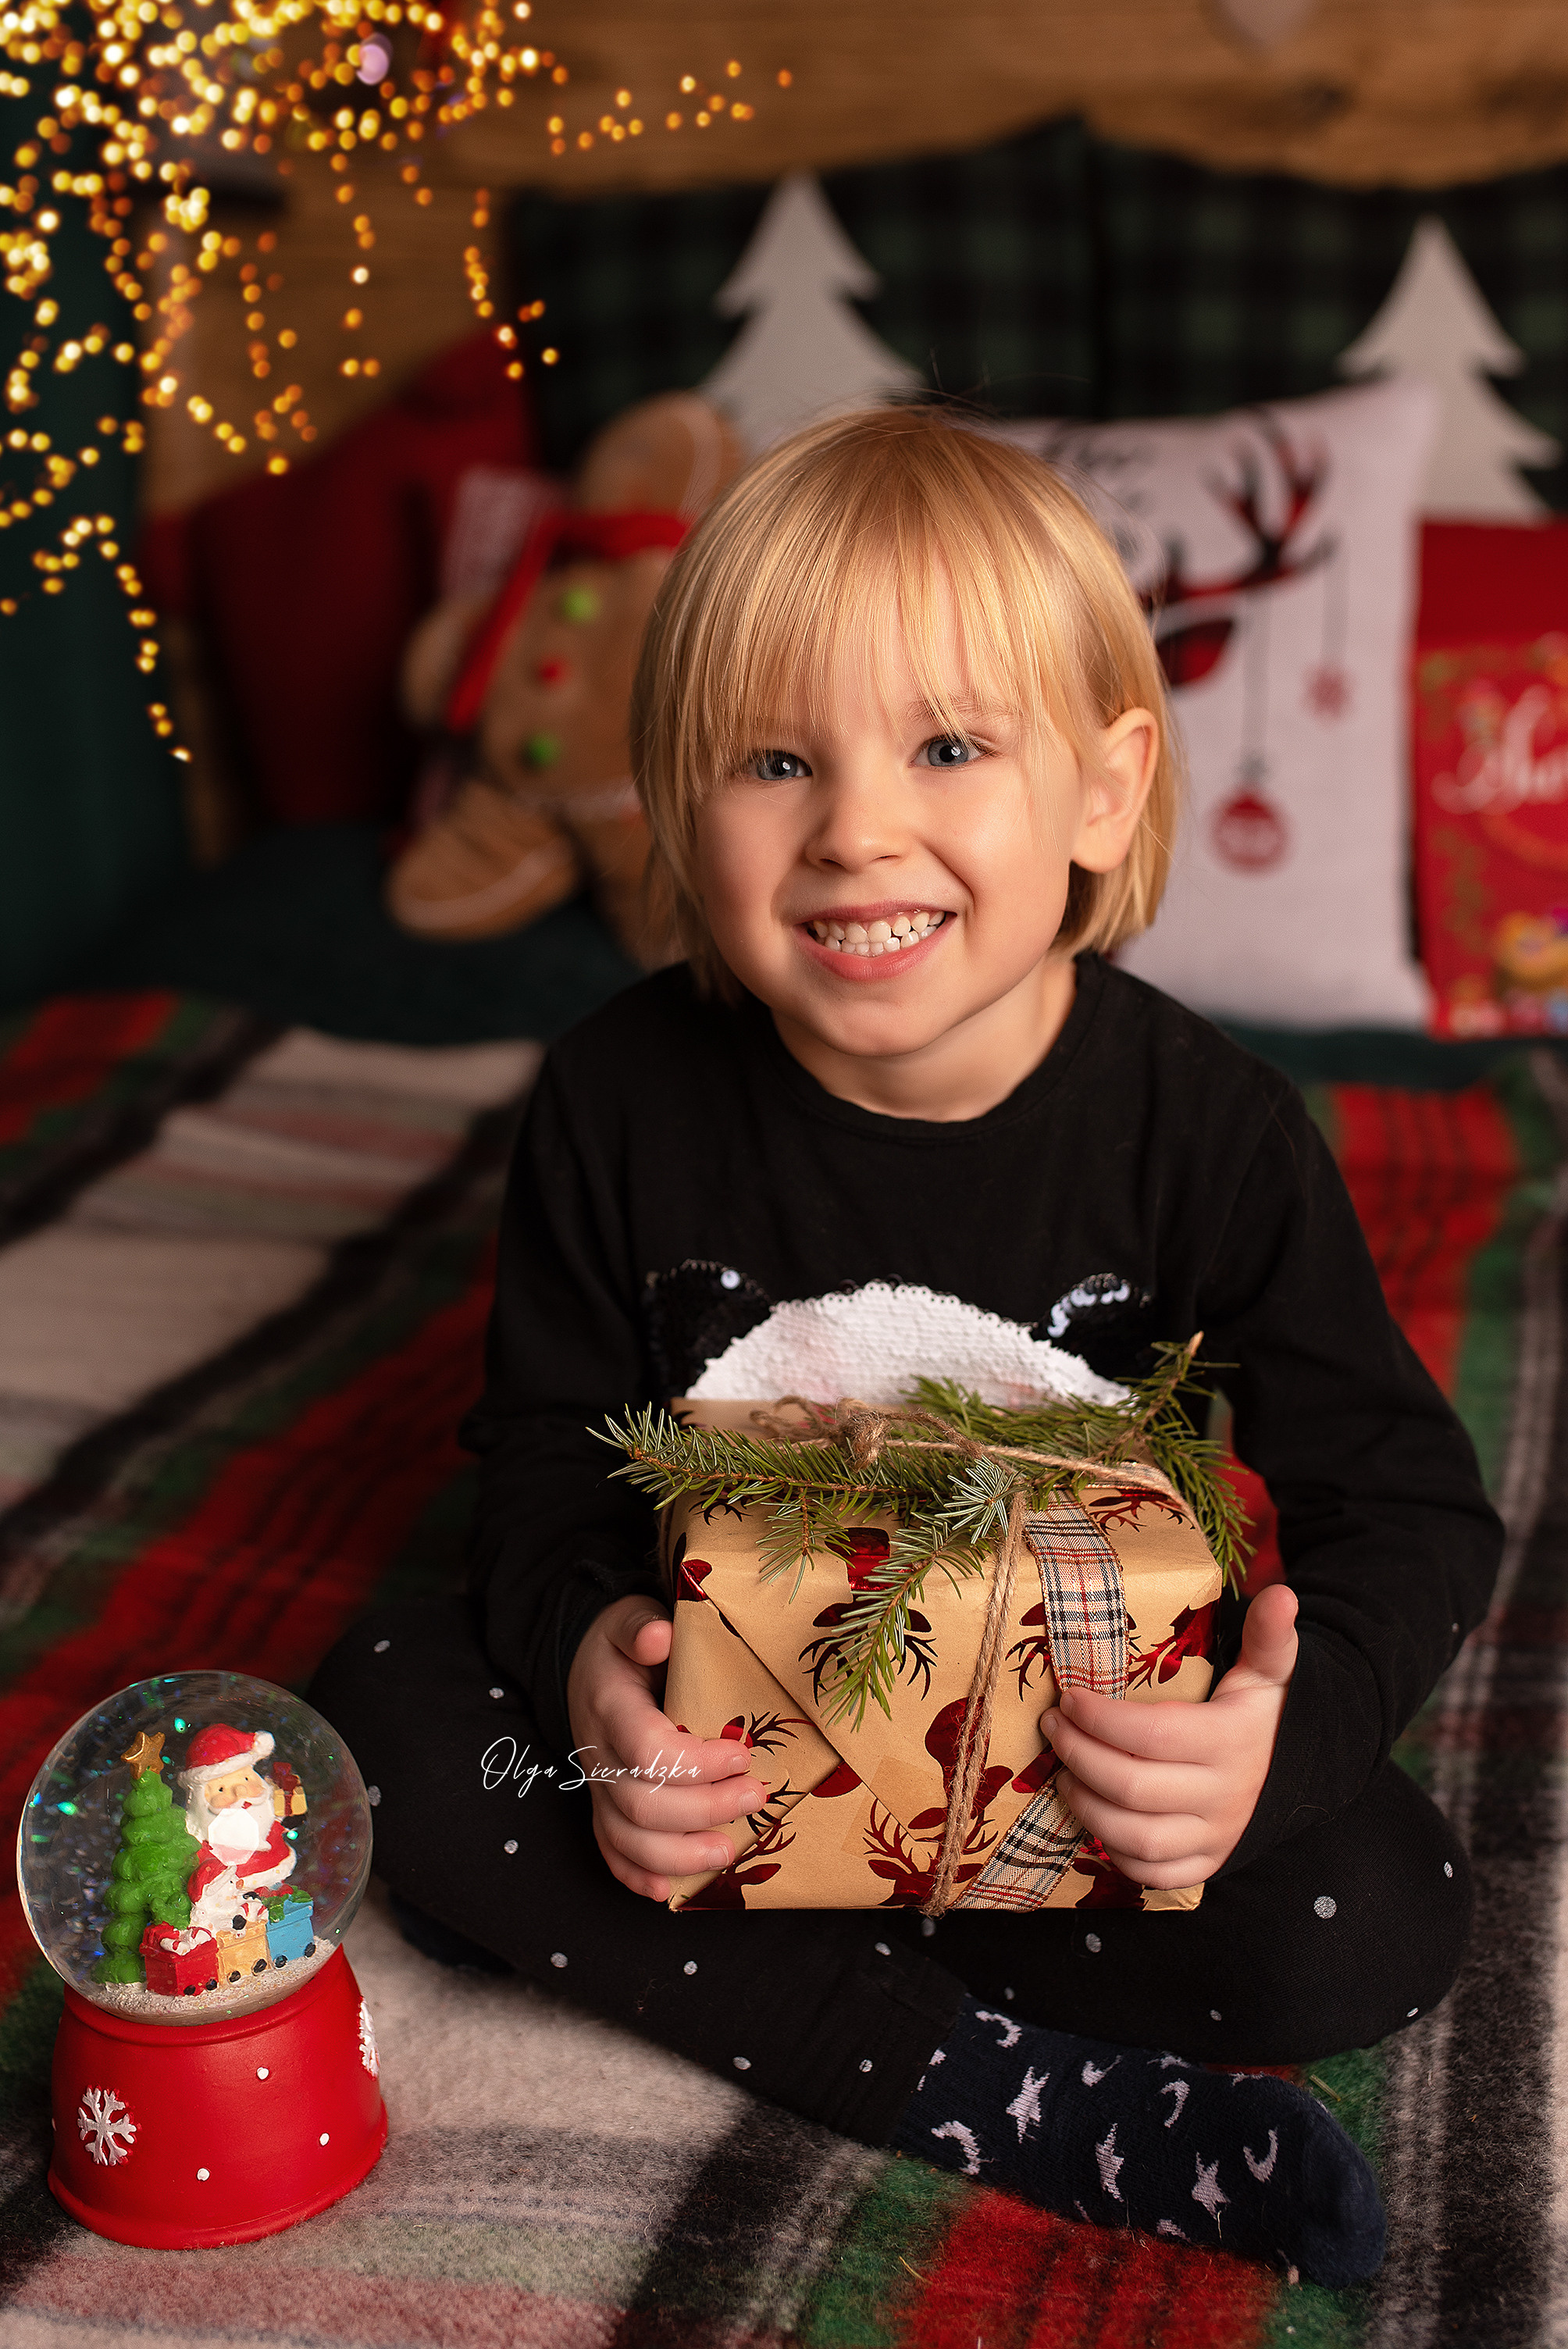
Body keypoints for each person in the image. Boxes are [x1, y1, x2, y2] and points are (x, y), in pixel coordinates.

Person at [311, 408, 1500, 2287]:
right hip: (724, 1758)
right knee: (378, 1715)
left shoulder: (1206, 1131)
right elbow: (542, 1460)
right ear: (675, 801)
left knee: (1376, 1910)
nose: (856, 826)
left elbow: (1414, 1508)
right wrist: (587, 1687)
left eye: (950, 747)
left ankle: (691, 1960)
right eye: (773, 760)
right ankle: (976, 2075)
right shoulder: (618, 1099)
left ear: (1102, 793)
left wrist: (1263, 1745)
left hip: (1055, 1763)